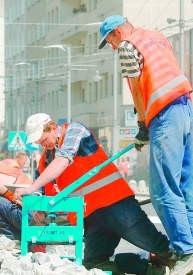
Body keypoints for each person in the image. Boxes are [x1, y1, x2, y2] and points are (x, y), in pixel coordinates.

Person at [98, 15, 193, 274]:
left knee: (163, 192)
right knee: (185, 189)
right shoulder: (157, 37)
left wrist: (141, 126)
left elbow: (138, 89)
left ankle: (188, 252)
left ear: (116, 32)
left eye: (109, 41)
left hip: (164, 114)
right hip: (187, 112)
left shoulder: (127, 46)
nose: (112, 46)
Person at [15, 113, 172, 275]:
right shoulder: (47, 159)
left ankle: (182, 262)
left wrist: (30, 188)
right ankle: (152, 269)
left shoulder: (75, 131)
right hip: (92, 215)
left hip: (115, 203)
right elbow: (49, 189)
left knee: (157, 245)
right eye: (39, 142)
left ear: (53, 128)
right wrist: (42, 209)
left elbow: (63, 160)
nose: (42, 145)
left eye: (43, 139)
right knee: (95, 264)